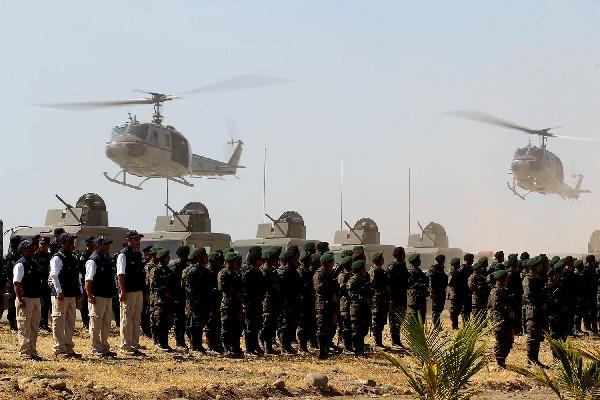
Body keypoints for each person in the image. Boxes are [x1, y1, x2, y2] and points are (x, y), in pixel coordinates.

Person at [49, 233, 83, 358]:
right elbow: (54, 275)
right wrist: (59, 291)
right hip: (61, 295)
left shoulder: (73, 258)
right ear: (62, 243)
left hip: (71, 294)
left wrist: (80, 292)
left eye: (72, 242)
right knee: (59, 321)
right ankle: (59, 349)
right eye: (68, 242)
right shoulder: (57, 258)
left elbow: (78, 276)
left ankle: (68, 347)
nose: (71, 245)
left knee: (70, 321)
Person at [84, 237, 117, 357]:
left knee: (106, 323)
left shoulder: (107, 259)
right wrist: (89, 295)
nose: (107, 246)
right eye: (104, 244)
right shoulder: (94, 260)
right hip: (97, 296)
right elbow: (88, 280)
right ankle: (96, 348)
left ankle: (104, 347)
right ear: (97, 246)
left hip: (107, 295)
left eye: (107, 244)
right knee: (96, 323)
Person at [116, 230, 146, 356]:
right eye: (135, 239)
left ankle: (134, 344)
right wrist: (122, 291)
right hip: (128, 291)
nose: (137, 242)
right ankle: (126, 345)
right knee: (127, 319)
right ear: (128, 240)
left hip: (138, 290)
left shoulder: (137, 254)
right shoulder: (123, 254)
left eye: (138, 239)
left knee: (136, 319)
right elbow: (120, 274)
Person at [13, 240, 43, 360]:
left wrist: (40, 297)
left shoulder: (34, 263)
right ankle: (25, 352)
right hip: (25, 298)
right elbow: (17, 283)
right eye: (28, 248)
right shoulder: (20, 264)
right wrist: (20, 299)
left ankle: (33, 351)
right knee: (24, 326)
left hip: (35, 298)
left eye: (32, 248)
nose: (32, 250)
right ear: (22, 250)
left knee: (34, 326)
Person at [182, 247, 211, 353]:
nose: (206, 258)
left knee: (201, 324)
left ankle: (198, 345)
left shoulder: (205, 271)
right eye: (204, 256)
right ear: (199, 258)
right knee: (194, 325)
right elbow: (189, 289)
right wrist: (192, 303)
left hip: (204, 302)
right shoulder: (193, 271)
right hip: (195, 303)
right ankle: (195, 345)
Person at [150, 249, 177, 351]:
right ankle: (159, 343)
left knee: (167, 323)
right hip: (159, 301)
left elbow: (174, 285)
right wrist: (165, 288)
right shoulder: (156, 270)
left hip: (168, 301)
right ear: (160, 259)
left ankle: (165, 343)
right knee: (159, 322)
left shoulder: (170, 271)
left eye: (168, 257)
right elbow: (155, 285)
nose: (168, 259)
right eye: (166, 258)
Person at [218, 251, 244, 358]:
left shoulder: (236, 273)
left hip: (237, 304)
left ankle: (235, 348)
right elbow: (222, 287)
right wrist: (235, 292)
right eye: (233, 262)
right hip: (227, 304)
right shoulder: (223, 273)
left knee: (237, 328)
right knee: (227, 327)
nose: (235, 264)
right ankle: (226, 348)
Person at [522, 257, 547, 367]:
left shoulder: (539, 279)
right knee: (532, 336)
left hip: (540, 311)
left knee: (537, 336)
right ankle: (530, 360)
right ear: (534, 267)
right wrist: (540, 303)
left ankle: (535, 359)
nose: (541, 267)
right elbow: (528, 296)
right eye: (539, 265)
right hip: (532, 311)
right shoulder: (528, 279)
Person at [314, 252, 339, 359]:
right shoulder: (319, 274)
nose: (333, 263)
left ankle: (327, 347)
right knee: (322, 329)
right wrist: (332, 292)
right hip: (322, 305)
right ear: (325, 263)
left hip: (331, 305)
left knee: (332, 327)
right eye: (331, 262)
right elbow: (320, 289)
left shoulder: (330, 273)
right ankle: (322, 351)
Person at [487, 268, 514, 369]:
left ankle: (503, 359)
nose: (507, 280)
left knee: (508, 342)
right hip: (499, 320)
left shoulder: (505, 290)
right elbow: (495, 305)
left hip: (507, 320)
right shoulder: (495, 291)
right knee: (501, 341)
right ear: (500, 279)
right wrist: (508, 310)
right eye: (505, 278)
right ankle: (500, 362)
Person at [241, 247, 265, 355]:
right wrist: (246, 301)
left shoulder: (258, 272)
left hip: (257, 301)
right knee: (250, 325)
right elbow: (244, 288)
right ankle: (250, 347)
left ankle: (255, 345)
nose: (261, 261)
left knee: (256, 324)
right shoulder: (249, 272)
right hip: (250, 302)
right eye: (260, 259)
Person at [277, 249, 301, 354]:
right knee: (285, 325)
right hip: (287, 302)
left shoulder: (293, 271)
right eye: (295, 259)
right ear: (289, 260)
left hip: (293, 301)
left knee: (292, 324)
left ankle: (287, 345)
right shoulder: (284, 272)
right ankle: (284, 346)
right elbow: (282, 289)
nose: (297, 261)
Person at [347, 259, 372, 356]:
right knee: (357, 330)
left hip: (364, 308)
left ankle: (360, 348)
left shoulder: (363, 279)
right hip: (356, 308)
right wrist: (364, 298)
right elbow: (352, 295)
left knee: (364, 329)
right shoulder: (353, 280)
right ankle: (358, 350)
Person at [260, 249, 282, 354]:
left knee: (273, 325)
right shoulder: (264, 272)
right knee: (267, 324)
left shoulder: (273, 271)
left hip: (275, 301)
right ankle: (266, 346)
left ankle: (269, 346)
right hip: (267, 302)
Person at [386, 247, 409, 348]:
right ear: (398, 255)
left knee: (400, 318)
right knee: (394, 319)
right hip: (394, 297)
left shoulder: (403, 266)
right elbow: (388, 285)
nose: (404, 256)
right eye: (403, 254)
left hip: (402, 296)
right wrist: (390, 299)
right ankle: (395, 341)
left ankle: (397, 340)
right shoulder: (392, 267)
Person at [297, 251, 318, 352]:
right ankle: (302, 345)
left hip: (309, 301)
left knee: (310, 323)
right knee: (303, 325)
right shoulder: (300, 272)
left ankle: (309, 344)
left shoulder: (308, 272)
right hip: (302, 302)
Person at [171, 245, 190, 349]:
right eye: (185, 254)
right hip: (178, 297)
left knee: (183, 320)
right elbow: (173, 284)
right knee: (179, 320)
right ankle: (179, 341)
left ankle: (182, 340)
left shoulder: (186, 266)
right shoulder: (175, 267)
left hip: (184, 297)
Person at [206, 251, 225, 354]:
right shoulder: (208, 273)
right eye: (217, 261)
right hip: (210, 302)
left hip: (218, 301)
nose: (220, 263)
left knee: (218, 324)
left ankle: (217, 343)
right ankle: (211, 344)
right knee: (211, 324)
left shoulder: (218, 272)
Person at [369, 251, 389, 349]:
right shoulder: (374, 271)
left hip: (382, 299)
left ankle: (379, 342)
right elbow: (372, 285)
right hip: (377, 299)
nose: (383, 260)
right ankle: (377, 343)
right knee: (377, 321)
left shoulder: (380, 271)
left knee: (381, 321)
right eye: (381, 258)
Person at [545, 264, 569, 342]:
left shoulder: (559, 286)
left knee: (563, 334)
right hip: (553, 314)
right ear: (550, 276)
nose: (557, 276)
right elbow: (549, 301)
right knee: (554, 334)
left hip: (561, 313)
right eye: (554, 275)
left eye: (557, 274)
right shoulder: (548, 287)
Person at [33, 237, 52, 332]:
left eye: (44, 244)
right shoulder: (35, 255)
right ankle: (39, 323)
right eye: (41, 244)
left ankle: (45, 323)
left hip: (46, 283)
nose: (42, 246)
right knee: (40, 304)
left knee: (47, 304)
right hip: (38, 283)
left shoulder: (49, 255)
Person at [336, 251, 354, 352]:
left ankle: (349, 345)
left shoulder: (351, 274)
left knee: (349, 326)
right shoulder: (342, 276)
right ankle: (346, 346)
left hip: (350, 304)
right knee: (345, 326)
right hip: (344, 304)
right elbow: (343, 290)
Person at [5, 236, 22, 331]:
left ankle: (16, 322)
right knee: (12, 304)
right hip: (12, 284)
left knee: (18, 303)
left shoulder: (19, 255)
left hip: (19, 283)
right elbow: (9, 271)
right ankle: (12, 324)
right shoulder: (10, 256)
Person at [78, 236, 95, 330]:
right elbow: (81, 269)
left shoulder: (94, 254)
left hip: (93, 281)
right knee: (84, 303)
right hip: (86, 281)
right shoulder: (84, 255)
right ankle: (85, 322)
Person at [406, 254, 428, 322]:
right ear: (414, 262)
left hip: (421, 299)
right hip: (414, 300)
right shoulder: (410, 273)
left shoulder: (420, 272)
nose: (420, 261)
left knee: (421, 319)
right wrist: (422, 285)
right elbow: (411, 285)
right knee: (413, 319)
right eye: (418, 260)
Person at [428, 254, 448, 327]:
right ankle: (437, 326)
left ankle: (437, 324)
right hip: (436, 292)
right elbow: (430, 282)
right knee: (436, 310)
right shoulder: (433, 270)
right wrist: (431, 292)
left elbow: (445, 278)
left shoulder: (441, 269)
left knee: (440, 309)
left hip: (441, 292)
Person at [506, 254, 523, 336]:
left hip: (517, 298)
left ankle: (517, 330)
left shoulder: (516, 273)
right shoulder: (510, 274)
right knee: (514, 316)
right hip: (513, 299)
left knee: (518, 315)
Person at [447, 257, 465, 330]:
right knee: (454, 310)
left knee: (458, 309)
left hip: (458, 293)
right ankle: (454, 326)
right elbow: (450, 283)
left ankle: (455, 325)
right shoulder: (452, 272)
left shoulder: (457, 272)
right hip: (454, 294)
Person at [459, 253, 474, 324]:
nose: (473, 261)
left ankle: (467, 322)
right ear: (468, 260)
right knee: (464, 309)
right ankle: (465, 323)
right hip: (463, 292)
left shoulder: (470, 268)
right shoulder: (462, 270)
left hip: (469, 292)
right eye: (472, 260)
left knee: (468, 308)